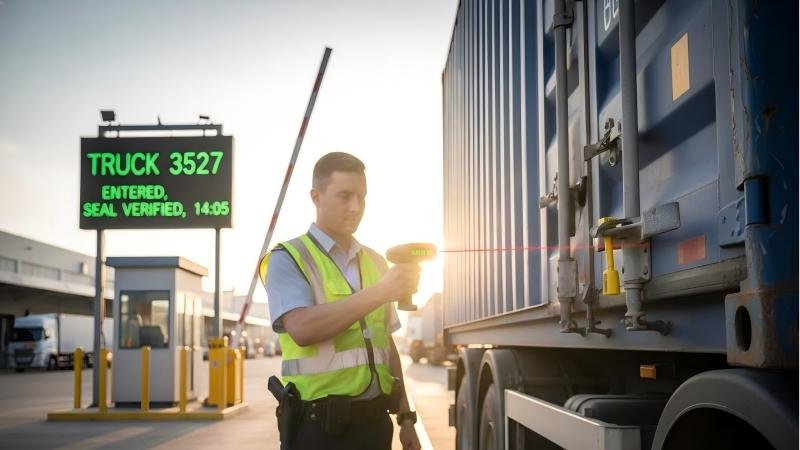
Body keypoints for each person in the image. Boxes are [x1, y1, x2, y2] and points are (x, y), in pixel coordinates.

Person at [261, 152, 422, 450]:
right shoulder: (287, 259)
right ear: (316, 196)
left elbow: (387, 347)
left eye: (362, 197)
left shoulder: (375, 262)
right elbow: (303, 329)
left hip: (375, 428)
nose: (356, 207)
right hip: (318, 431)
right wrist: (382, 292)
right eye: (345, 196)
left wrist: (406, 417)